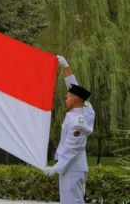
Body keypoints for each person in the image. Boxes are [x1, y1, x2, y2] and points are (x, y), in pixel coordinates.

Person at [43, 55, 95, 204]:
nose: (65, 99)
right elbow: (75, 89)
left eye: (67, 97)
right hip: (73, 167)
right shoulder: (86, 109)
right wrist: (65, 68)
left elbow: (72, 148)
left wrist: (56, 168)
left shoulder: (78, 123)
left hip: (71, 167)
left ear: (74, 100)